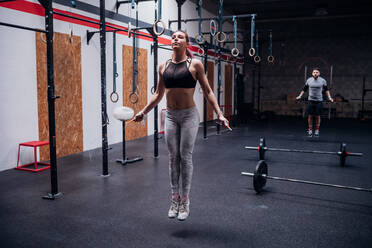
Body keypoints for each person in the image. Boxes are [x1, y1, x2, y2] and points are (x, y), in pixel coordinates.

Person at [132, 30, 230, 221]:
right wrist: (143, 112)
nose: (176, 39)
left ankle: (185, 200)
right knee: (172, 158)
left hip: (188, 116)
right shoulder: (163, 66)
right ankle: (174, 199)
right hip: (170, 115)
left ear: (187, 43)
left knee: (185, 157)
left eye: (180, 37)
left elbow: (208, 91)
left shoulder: (195, 65)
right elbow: (158, 95)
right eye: (174, 37)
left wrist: (219, 113)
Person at [296, 68, 333, 137]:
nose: (315, 73)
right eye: (314, 72)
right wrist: (299, 96)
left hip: (319, 101)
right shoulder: (309, 80)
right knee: (310, 115)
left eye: (317, 72)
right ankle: (310, 130)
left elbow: (327, 90)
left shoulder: (322, 81)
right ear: (312, 73)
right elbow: (304, 89)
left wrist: (330, 98)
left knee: (317, 116)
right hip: (311, 100)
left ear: (319, 73)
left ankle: (317, 130)